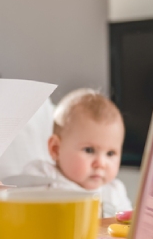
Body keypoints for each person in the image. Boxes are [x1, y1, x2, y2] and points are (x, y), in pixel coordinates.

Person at [20, 88, 132, 217]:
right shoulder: (43, 176)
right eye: (89, 150)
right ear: (56, 149)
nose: (101, 163)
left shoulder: (115, 192)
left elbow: (128, 227)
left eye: (110, 153)